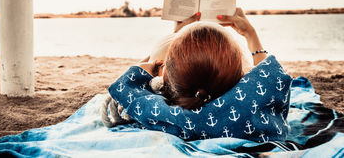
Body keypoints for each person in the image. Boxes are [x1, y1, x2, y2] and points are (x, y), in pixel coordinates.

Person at [104, 8, 292, 142]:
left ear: (164, 76)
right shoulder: (256, 103)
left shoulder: (162, 115)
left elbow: (127, 88)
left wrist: (151, 62)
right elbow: (271, 75)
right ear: (241, 77)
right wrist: (251, 35)